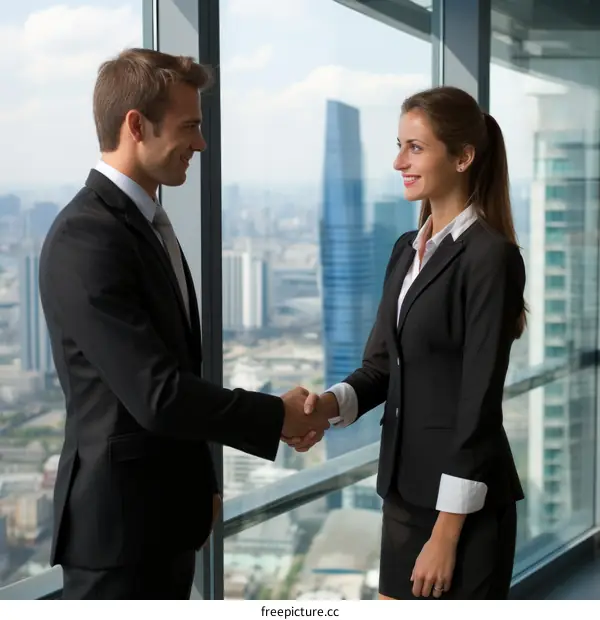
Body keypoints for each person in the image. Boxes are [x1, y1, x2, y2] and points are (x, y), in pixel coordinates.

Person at [39, 48, 328, 600]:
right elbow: (157, 394)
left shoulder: (148, 224)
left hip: (162, 520)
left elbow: (177, 369)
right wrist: (276, 417)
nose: (201, 143)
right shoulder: (87, 236)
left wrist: (202, 484)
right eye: (190, 126)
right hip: (118, 539)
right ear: (135, 125)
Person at [285, 85, 527, 600]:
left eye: (415, 148)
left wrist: (446, 532)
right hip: (402, 493)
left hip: (463, 507)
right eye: (399, 145)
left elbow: (479, 404)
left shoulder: (490, 257)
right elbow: (381, 367)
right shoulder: (406, 251)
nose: (398, 161)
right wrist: (326, 406)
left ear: (463, 157)